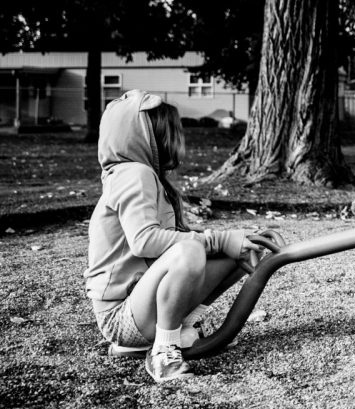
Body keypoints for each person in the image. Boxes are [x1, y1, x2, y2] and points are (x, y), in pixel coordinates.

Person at [84, 90, 277, 383]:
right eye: (172, 132)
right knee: (191, 251)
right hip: (121, 316)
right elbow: (144, 241)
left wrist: (233, 240)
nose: (178, 139)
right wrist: (219, 240)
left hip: (142, 303)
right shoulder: (133, 174)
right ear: (145, 137)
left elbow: (171, 240)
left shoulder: (143, 175)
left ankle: (181, 326)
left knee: (241, 249)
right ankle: (163, 349)